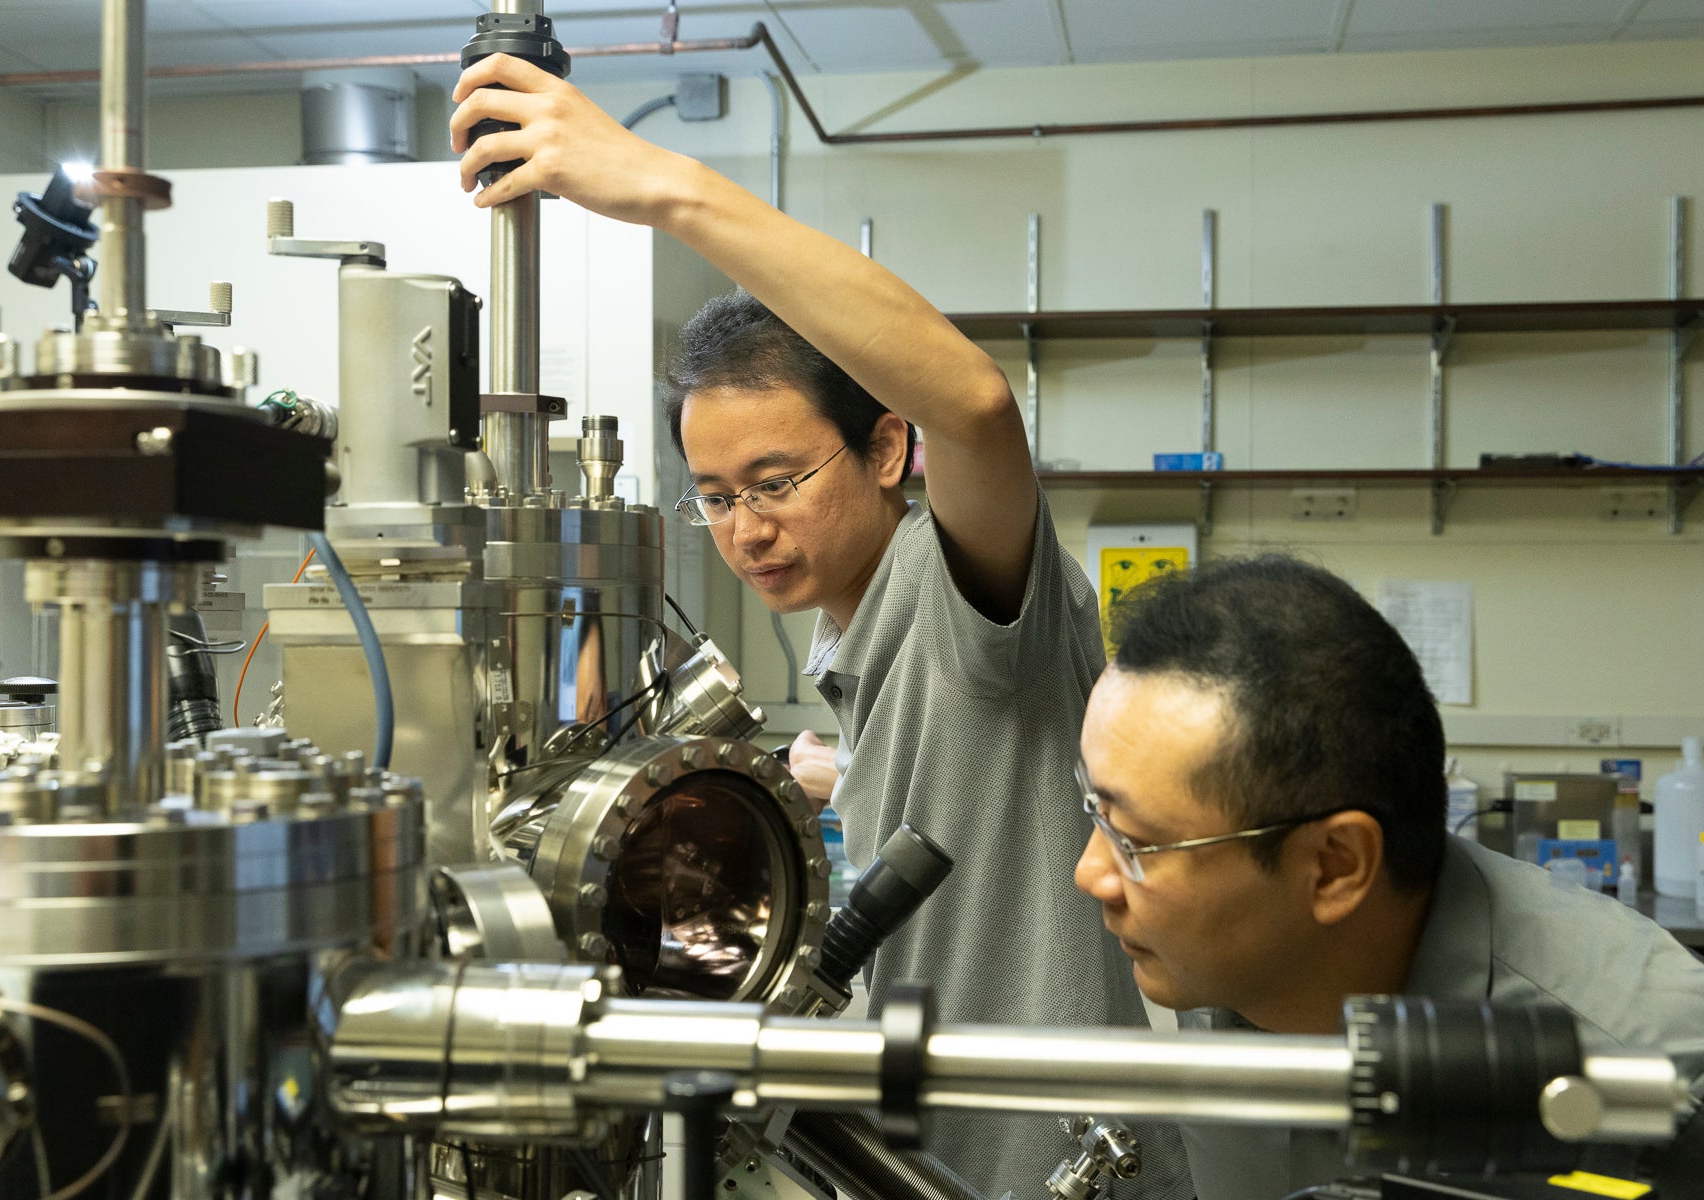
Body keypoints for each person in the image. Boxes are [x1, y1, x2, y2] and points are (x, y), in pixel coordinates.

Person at [450, 56, 1191, 1200]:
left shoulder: (960, 599)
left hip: (1032, 1171)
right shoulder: (864, 647)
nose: (746, 528)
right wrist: (848, 776)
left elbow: (978, 402)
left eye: (777, 478)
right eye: (716, 493)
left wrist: (660, 185)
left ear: (889, 450)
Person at [1073, 554, 1704, 1199]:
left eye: (1135, 841)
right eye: (1094, 813)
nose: (1090, 874)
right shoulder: (1236, 967)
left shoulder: (1665, 1082)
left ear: (1335, 866)